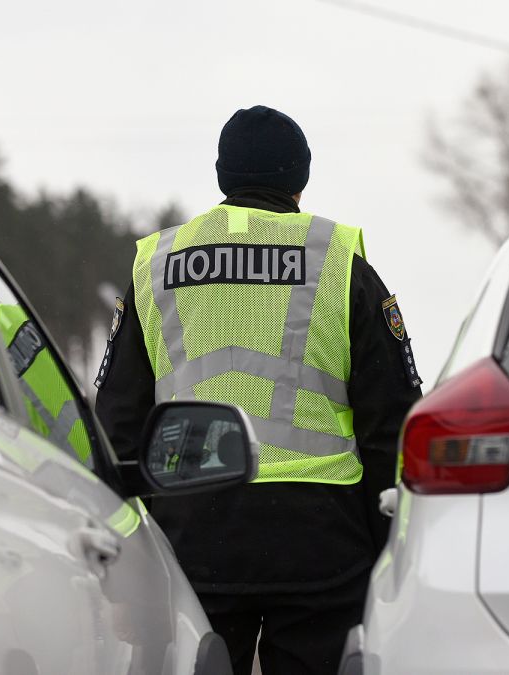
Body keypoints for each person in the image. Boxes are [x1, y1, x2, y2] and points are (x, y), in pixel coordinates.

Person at [95, 105, 422, 675]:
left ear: (222, 174)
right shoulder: (337, 260)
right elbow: (390, 420)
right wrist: (386, 548)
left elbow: (118, 419)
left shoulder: (157, 264)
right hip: (320, 540)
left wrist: (133, 555)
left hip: (192, 534)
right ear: (300, 177)